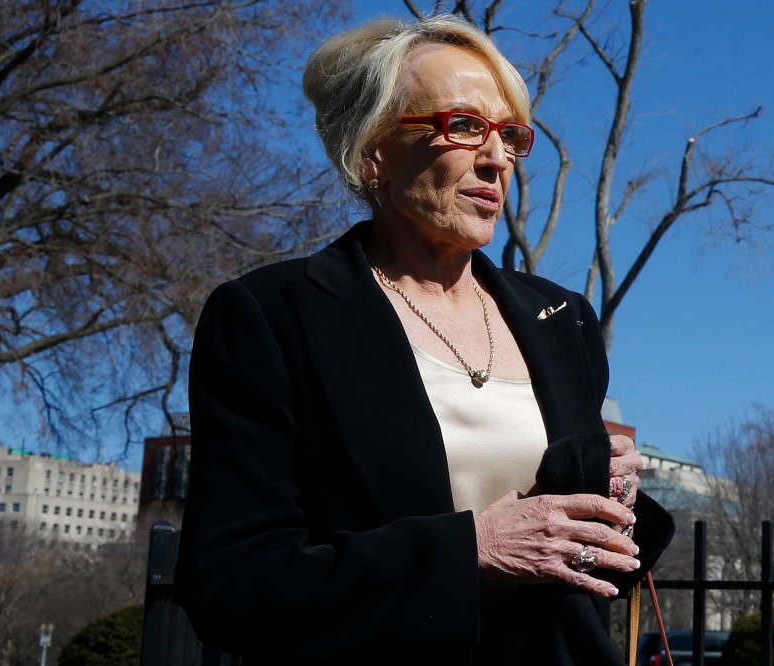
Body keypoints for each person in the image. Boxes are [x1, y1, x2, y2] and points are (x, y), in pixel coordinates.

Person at [175, 13, 674, 665]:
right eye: (464, 126)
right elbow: (231, 583)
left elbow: (578, 573)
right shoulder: (273, 316)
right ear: (372, 150)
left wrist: (611, 507)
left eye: (510, 136)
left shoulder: (563, 320)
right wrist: (473, 551)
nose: (497, 158)